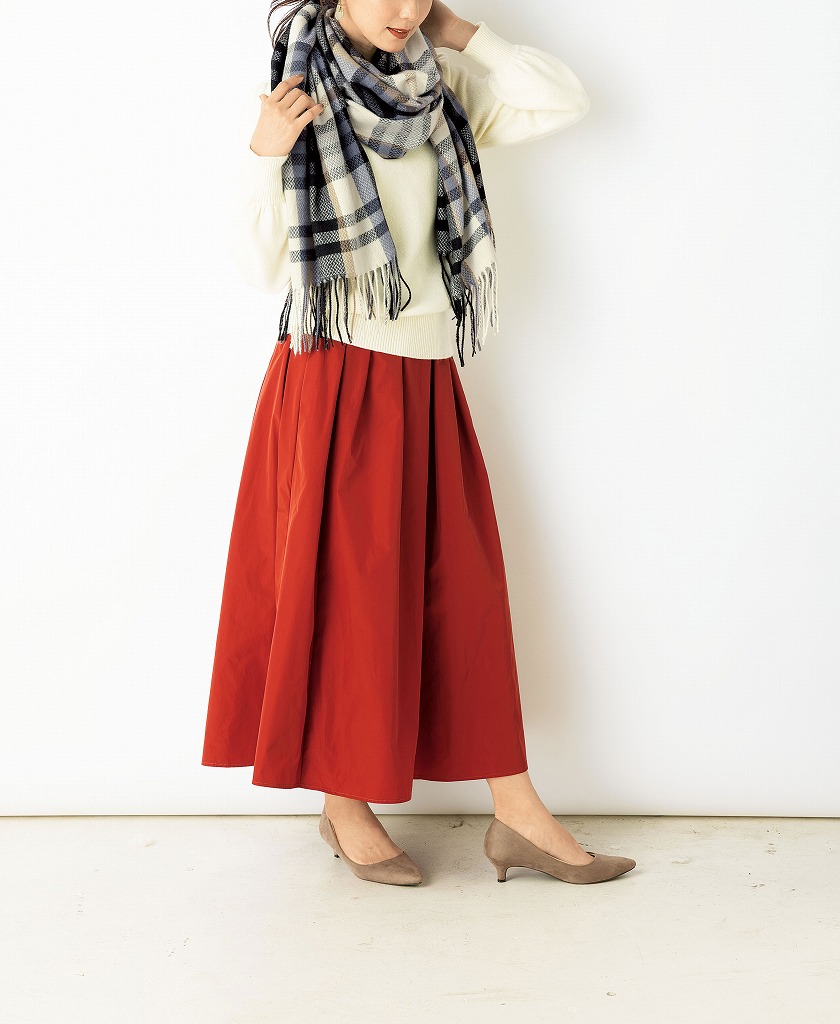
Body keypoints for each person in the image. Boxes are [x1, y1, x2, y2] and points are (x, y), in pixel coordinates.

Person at [201, 0, 637, 886]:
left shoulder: (437, 88)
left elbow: (561, 99)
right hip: (335, 374)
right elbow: (257, 266)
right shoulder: (294, 98)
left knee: (461, 592)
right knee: (350, 596)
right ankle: (344, 804)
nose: (405, 9)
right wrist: (263, 152)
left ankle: (515, 810)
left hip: (429, 372)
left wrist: (461, 35)